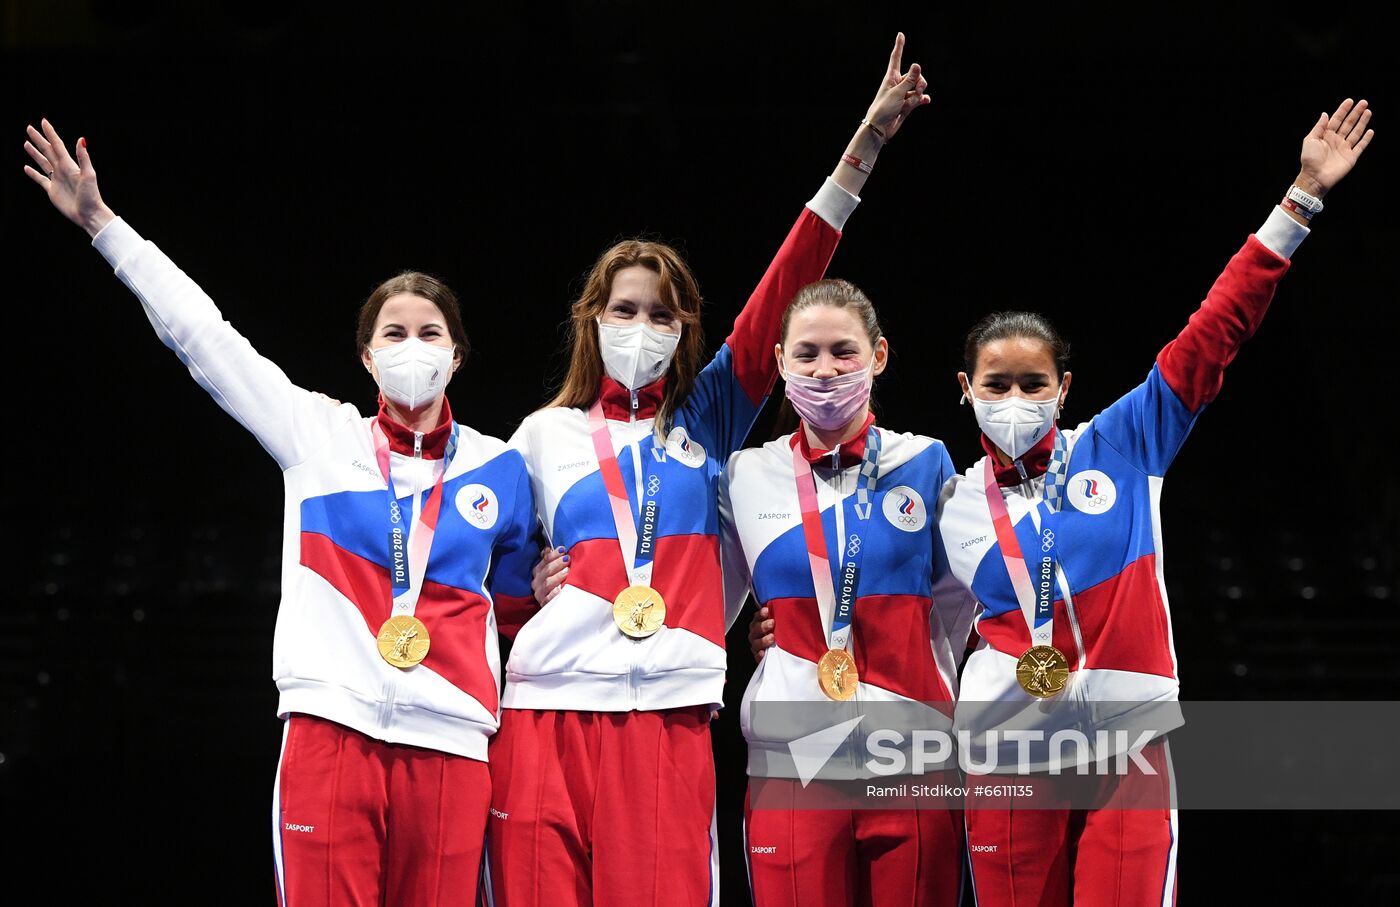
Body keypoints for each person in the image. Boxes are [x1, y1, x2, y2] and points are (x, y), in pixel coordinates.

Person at [752, 97, 1374, 905]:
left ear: (1064, 387)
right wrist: (780, 623)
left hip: (1128, 750)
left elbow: (1217, 329)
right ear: (965, 392)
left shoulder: (1124, 445)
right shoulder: (948, 499)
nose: (1015, 398)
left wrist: (1301, 199)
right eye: (996, 384)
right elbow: (878, 592)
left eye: (1032, 383)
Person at [23, 120, 540, 906]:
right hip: (329, 737)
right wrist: (102, 224)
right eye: (392, 332)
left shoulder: (502, 465)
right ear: (366, 356)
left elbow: (518, 603)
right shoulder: (317, 434)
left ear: (457, 354)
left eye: (429, 332)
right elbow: (204, 338)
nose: (412, 344)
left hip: (452, 744)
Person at [488, 34, 932, 907]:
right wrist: (527, 587)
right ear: (593, 320)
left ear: (685, 329)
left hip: (670, 714)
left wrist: (865, 146)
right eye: (625, 309)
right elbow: (480, 574)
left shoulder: (711, 419)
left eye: (661, 312)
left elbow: (787, 281)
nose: (642, 325)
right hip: (543, 711)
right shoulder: (537, 436)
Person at [718, 278, 977, 906]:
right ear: (779, 363)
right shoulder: (747, 473)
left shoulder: (927, 461)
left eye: (844, 351)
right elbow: (707, 593)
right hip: (792, 764)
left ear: (879, 356)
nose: (825, 369)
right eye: (805, 354)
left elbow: (957, 603)